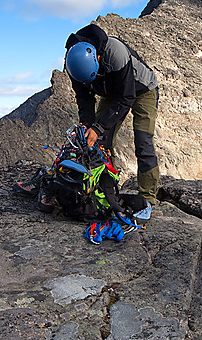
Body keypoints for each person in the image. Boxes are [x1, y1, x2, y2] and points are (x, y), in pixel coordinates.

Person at [64, 24, 160, 207]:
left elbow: (126, 97)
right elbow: (84, 98)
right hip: (112, 93)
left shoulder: (116, 53)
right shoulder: (73, 63)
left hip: (143, 89)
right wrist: (88, 126)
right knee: (100, 142)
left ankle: (148, 198)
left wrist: (98, 127)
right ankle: (108, 191)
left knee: (143, 141)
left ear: (98, 57)